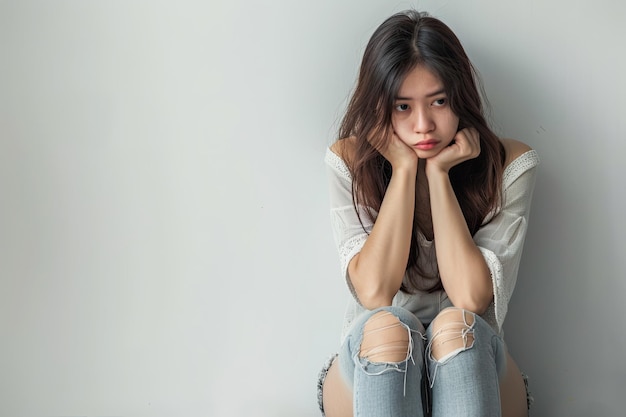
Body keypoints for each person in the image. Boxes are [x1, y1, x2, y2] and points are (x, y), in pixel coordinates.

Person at [316, 9, 539, 417]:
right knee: (388, 326)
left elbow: (470, 297)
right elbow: (375, 292)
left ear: (461, 97)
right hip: (368, 370)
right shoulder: (348, 161)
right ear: (379, 105)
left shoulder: (509, 163)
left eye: (438, 101)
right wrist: (403, 170)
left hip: (476, 365)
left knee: (456, 327)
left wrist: (438, 174)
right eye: (402, 107)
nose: (423, 125)